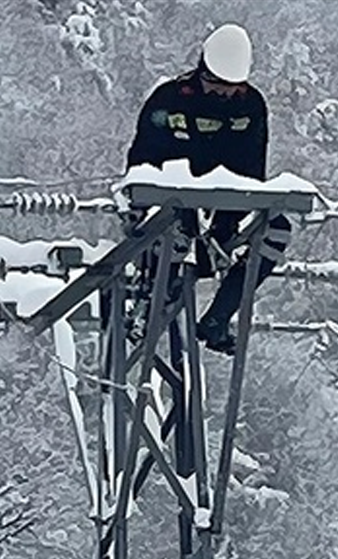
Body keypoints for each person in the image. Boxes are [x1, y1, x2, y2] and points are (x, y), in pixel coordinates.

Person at [125, 23, 292, 355]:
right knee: (172, 235)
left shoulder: (251, 106)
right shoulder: (169, 100)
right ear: (202, 73)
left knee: (276, 231)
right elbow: (142, 163)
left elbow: (251, 172)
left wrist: (227, 223)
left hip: (224, 208)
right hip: (168, 208)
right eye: (216, 86)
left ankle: (219, 316)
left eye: (233, 88)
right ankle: (154, 301)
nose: (225, 95)